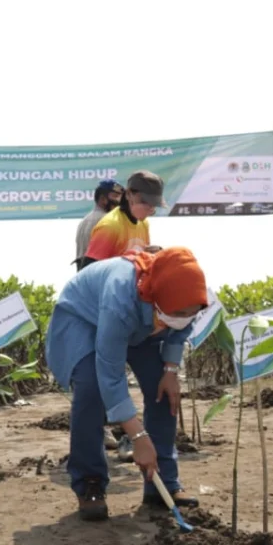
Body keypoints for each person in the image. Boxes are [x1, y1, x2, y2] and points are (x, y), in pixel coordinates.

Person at [46, 247, 207, 521]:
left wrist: (170, 370)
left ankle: (163, 482)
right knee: (92, 388)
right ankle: (90, 484)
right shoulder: (120, 295)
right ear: (158, 299)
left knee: (163, 389)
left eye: (191, 312)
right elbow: (110, 372)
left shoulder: (189, 291)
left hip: (144, 324)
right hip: (84, 318)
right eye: (179, 311)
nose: (185, 316)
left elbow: (181, 330)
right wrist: (137, 437)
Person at [82, 171, 167, 460]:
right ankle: (120, 439)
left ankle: (129, 437)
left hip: (133, 315)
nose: (150, 210)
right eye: (146, 203)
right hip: (107, 314)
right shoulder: (109, 226)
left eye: (154, 206)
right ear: (129, 195)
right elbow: (89, 271)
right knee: (109, 377)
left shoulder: (142, 223)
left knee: (134, 377)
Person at [72, 178, 124, 272]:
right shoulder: (108, 220)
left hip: (85, 276)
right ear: (103, 199)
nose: (119, 201)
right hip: (100, 275)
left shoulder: (85, 221)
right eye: (115, 196)